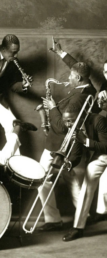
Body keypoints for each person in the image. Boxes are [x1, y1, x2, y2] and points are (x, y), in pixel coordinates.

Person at [38, 60, 97, 232]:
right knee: (72, 181)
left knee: (41, 179)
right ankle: (83, 215)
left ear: (78, 77)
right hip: (72, 145)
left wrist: (52, 107)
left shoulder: (77, 99)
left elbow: (61, 126)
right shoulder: (90, 90)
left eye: (71, 75)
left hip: (58, 144)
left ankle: (53, 219)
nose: (68, 78)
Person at [58, 100, 107, 241]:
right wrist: (70, 163)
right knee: (89, 176)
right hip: (101, 156)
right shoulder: (73, 127)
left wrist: (85, 141)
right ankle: (78, 228)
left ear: (82, 115)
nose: (68, 125)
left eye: (71, 121)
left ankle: (102, 212)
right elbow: (77, 152)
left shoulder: (99, 120)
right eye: (65, 121)